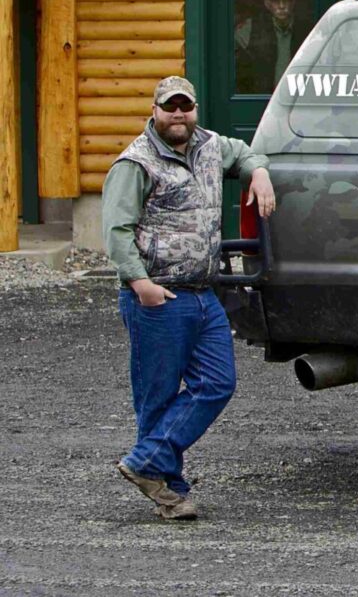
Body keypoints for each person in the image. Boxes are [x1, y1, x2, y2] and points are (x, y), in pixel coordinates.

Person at [104, 76, 276, 520]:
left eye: (185, 106)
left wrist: (258, 173)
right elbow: (117, 232)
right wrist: (140, 283)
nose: (178, 114)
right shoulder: (135, 163)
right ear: (155, 110)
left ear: (195, 108)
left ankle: (145, 463)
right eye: (169, 107)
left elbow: (247, 152)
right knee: (157, 398)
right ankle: (170, 494)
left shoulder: (210, 146)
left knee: (218, 383)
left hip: (204, 293)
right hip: (156, 296)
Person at [235, 0, 313, 94]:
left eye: (286, 0)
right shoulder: (251, 28)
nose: (281, 6)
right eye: (276, 1)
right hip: (261, 100)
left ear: (293, 3)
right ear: (267, 4)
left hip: (297, 99)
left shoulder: (307, 31)